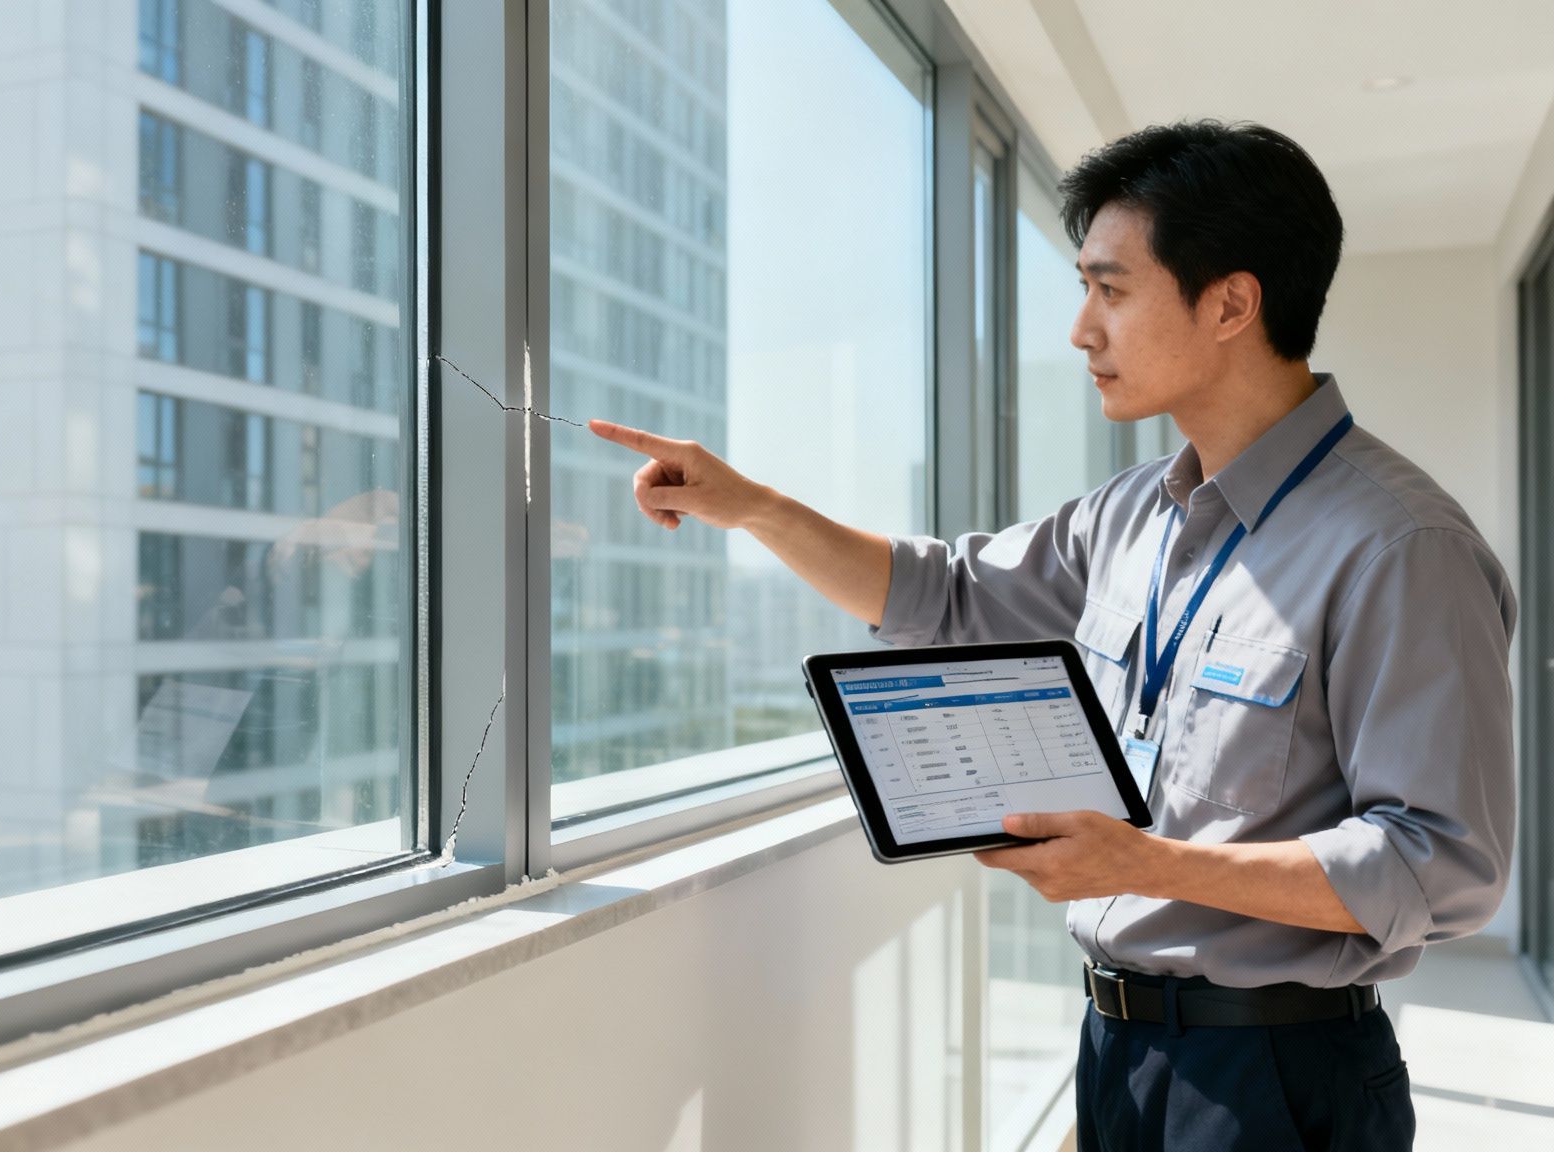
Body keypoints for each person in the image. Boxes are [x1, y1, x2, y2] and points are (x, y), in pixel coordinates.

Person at [589, 120, 1515, 1151]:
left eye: (1109, 291)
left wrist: (1147, 866)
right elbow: (939, 596)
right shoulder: (1128, 515)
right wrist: (751, 505)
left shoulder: (1398, 545)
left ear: (1229, 304)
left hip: (1275, 1075)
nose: (1079, 329)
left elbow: (1442, 867)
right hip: (1117, 1051)